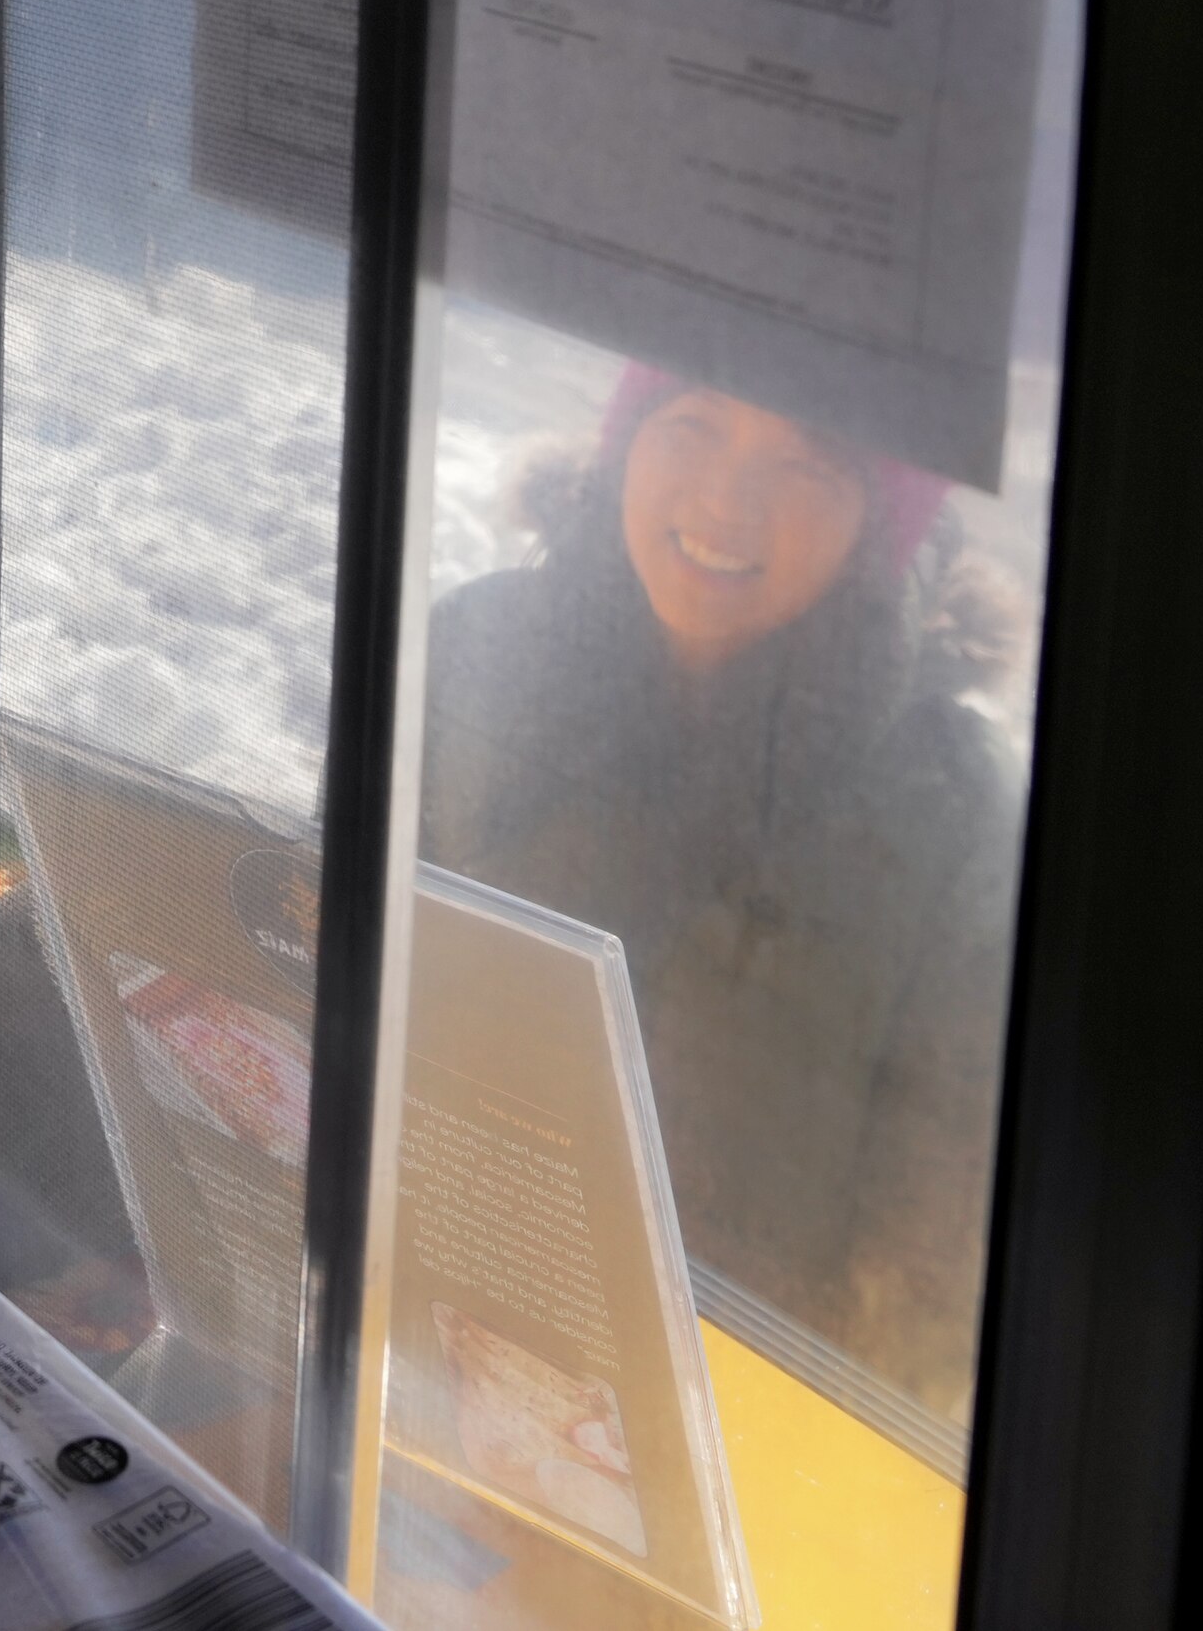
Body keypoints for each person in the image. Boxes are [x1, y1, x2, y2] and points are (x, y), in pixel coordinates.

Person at [418, 368, 1032, 1418]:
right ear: (625, 438)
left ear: (880, 521)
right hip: (433, 1349)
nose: (724, 501)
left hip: (728, 1435)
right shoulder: (478, 649)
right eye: (691, 424)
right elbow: (321, 975)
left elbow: (930, 1290)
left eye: (805, 462)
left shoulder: (949, 821)